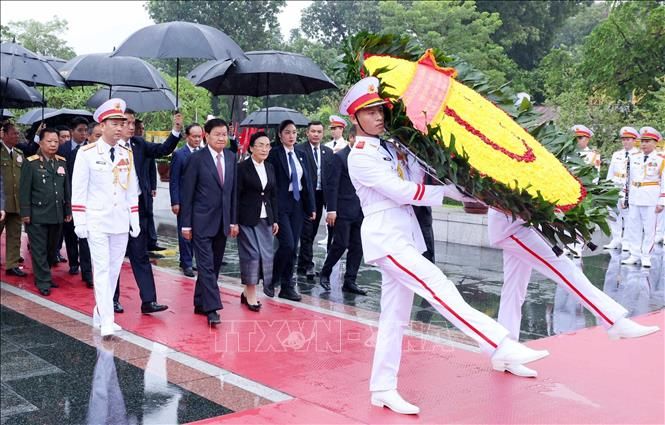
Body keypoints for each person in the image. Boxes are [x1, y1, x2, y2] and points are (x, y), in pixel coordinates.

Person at [342, 77, 549, 415]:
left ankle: (382, 388)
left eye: (380, 109)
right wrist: (452, 195)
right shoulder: (360, 156)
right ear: (355, 118)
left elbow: (419, 176)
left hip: (402, 234)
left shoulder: (391, 145)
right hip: (386, 237)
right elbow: (403, 191)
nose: (378, 116)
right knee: (439, 288)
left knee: (394, 318)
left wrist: (459, 176)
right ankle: (498, 342)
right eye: (369, 112)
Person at [489, 209, 658, 348]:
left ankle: (505, 350)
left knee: (514, 290)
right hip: (511, 226)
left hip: (519, 224)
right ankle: (612, 320)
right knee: (564, 268)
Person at [71, 98, 140, 337]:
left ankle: (100, 312)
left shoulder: (126, 153)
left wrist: (135, 218)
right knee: (101, 269)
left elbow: (131, 189)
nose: (120, 127)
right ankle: (108, 320)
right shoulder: (87, 153)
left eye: (122, 123)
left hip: (120, 221)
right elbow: (79, 189)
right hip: (97, 221)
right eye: (115, 123)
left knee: (113, 271)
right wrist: (80, 221)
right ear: (102, 125)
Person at [116, 108, 182, 315]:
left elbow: (162, 150)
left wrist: (176, 131)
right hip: (116, 210)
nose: (130, 126)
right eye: (126, 122)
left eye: (132, 122)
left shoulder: (138, 144)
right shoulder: (107, 148)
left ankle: (149, 301)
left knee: (140, 255)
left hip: (139, 208)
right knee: (115, 257)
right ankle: (112, 299)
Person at [180, 118, 238, 326]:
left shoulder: (231, 158)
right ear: (207, 135)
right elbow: (187, 194)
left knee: (213, 265)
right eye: (217, 134)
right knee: (205, 266)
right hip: (201, 221)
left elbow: (232, 193)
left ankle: (199, 301)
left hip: (222, 222)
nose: (222, 138)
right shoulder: (196, 159)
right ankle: (212, 308)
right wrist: (185, 224)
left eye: (224, 134)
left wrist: (233, 221)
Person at [266, 120, 316, 301]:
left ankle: (287, 286)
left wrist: (311, 207)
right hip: (280, 204)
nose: (291, 136)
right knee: (286, 244)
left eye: (294, 132)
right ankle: (272, 280)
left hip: (297, 205)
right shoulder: (274, 154)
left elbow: (307, 182)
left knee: (293, 247)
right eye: (287, 132)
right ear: (280, 135)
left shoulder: (301, 154)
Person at [19, 127, 71, 295]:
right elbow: (24, 189)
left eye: (56, 141)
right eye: (49, 141)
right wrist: (25, 213)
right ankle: (43, 281)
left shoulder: (61, 162)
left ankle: (44, 274)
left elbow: (66, 188)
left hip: (56, 213)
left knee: (51, 249)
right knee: (39, 249)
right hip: (38, 214)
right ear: (40, 143)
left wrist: (67, 209)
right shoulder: (31, 162)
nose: (53, 144)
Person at [319, 125, 367, 295]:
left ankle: (350, 280)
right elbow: (332, 185)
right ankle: (325, 272)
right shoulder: (339, 157)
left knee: (357, 246)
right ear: (351, 138)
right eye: (359, 139)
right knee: (340, 244)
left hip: (361, 210)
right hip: (343, 209)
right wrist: (331, 209)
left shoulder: (366, 158)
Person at [236, 131, 279, 311]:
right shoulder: (242, 168)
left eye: (267, 145)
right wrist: (234, 221)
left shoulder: (270, 167)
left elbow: (273, 195)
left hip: (266, 218)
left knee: (266, 257)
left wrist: (275, 219)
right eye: (260, 145)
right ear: (251, 147)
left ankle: (247, 292)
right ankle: (252, 295)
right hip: (246, 219)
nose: (264, 148)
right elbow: (236, 196)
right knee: (252, 256)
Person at [622, 127, 664, 268]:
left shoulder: (660, 160)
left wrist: (662, 201)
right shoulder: (633, 158)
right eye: (642, 141)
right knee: (633, 227)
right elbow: (627, 179)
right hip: (634, 196)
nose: (644, 144)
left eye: (647, 141)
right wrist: (625, 197)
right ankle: (634, 254)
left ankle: (646, 255)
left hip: (651, 198)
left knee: (649, 229)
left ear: (655, 143)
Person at [296, 121, 334, 278]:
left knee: (311, 233)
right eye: (313, 131)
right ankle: (308, 264)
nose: (316, 134)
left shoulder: (327, 151)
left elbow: (330, 177)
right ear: (307, 133)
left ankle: (302, 264)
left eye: (319, 131)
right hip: (305, 196)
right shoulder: (300, 149)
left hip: (321, 196)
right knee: (306, 231)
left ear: (323, 133)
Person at [59, 117, 93, 286]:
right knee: (70, 233)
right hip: (68, 196)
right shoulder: (62, 149)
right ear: (72, 132)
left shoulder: (90, 149)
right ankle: (74, 263)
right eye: (80, 130)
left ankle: (87, 273)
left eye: (85, 130)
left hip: (86, 198)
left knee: (85, 237)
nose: (83, 134)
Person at [170, 123, 202, 277]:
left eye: (199, 136)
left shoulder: (203, 153)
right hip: (183, 201)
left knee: (196, 232)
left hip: (200, 201)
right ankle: (186, 263)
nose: (197, 139)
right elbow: (174, 180)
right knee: (184, 232)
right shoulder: (179, 154)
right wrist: (175, 201)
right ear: (187, 136)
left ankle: (190, 260)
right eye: (194, 136)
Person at [604, 126, 639, 251]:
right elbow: (611, 172)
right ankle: (616, 238)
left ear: (634, 140)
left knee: (628, 216)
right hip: (615, 187)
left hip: (629, 189)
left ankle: (627, 241)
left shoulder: (638, 155)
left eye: (628, 139)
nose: (625, 141)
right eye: (624, 139)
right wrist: (607, 188)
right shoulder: (616, 154)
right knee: (613, 213)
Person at [1, 122, 27, 277]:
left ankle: (12, 265)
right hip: (2, 202)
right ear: (4, 134)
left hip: (16, 202)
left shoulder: (19, 154)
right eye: (13, 133)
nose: (16, 136)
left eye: (18, 133)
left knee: (15, 234)